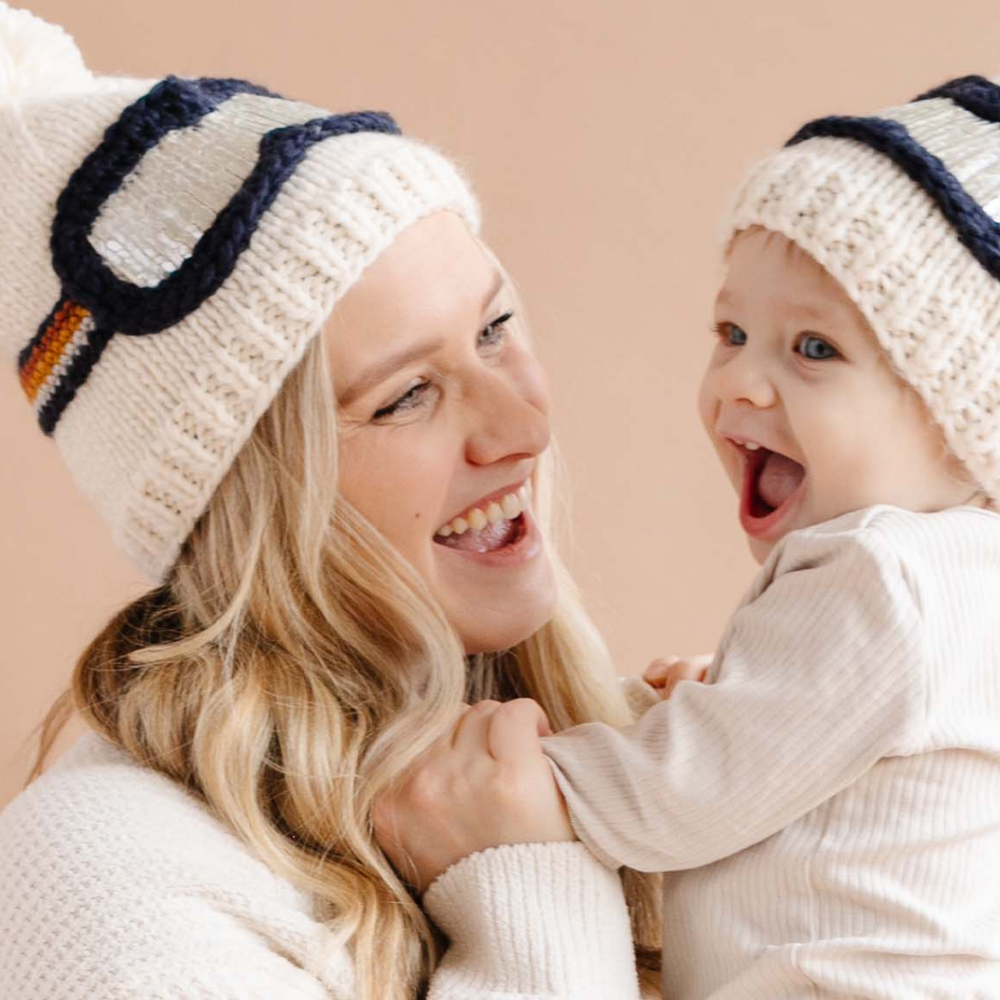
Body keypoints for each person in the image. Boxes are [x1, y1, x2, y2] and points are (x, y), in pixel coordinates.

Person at [0, 5, 662, 999]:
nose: (519, 423)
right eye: (406, 396)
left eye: (494, 328)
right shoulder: (101, 874)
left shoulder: (584, 756)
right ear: (249, 503)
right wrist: (528, 891)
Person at [381, 75, 1000, 997]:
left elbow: (677, 803)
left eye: (815, 349)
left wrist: (511, 786)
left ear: (960, 420)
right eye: (732, 330)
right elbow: (810, 774)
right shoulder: (959, 575)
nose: (741, 383)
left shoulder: (880, 573)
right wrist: (728, 712)